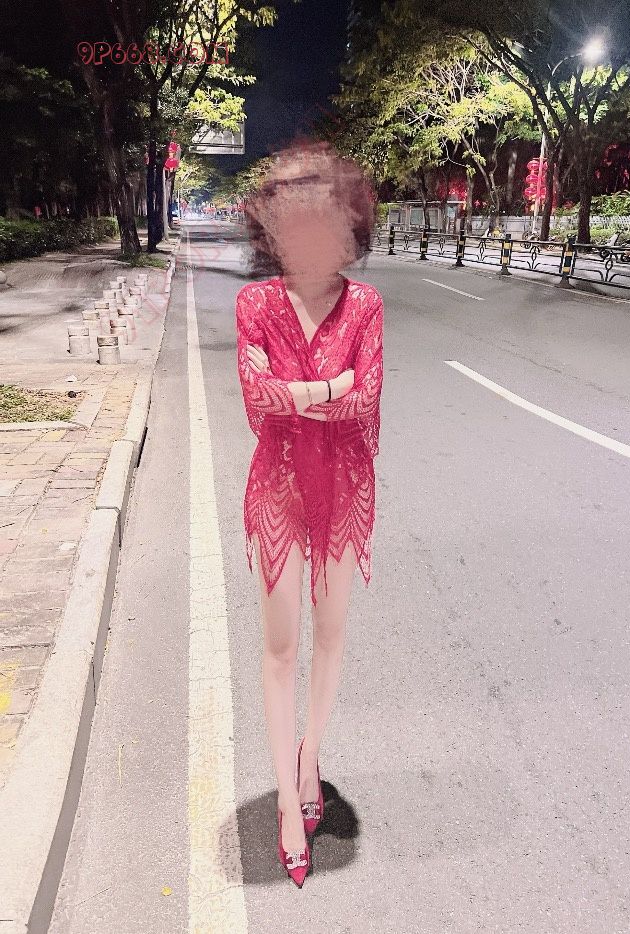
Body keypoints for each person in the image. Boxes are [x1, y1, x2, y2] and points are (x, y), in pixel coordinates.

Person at [236, 139, 383, 887]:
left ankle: (310, 756)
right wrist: (328, 389)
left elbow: (368, 400)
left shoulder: (366, 306)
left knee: (330, 636)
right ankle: (288, 806)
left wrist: (300, 394)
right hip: (280, 489)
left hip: (344, 488)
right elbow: (257, 400)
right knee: (280, 646)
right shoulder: (255, 305)